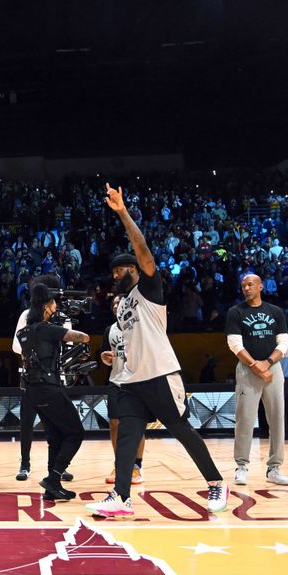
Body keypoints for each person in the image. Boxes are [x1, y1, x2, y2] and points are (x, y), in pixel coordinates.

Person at [86, 185, 227, 520]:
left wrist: (122, 213)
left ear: (134, 269)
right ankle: (121, 496)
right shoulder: (122, 305)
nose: (114, 276)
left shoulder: (149, 288)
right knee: (126, 437)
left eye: (119, 271)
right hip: (131, 380)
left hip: (160, 374)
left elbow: (143, 249)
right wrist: (114, 357)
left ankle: (216, 482)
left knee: (181, 429)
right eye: (113, 273)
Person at [15, 284, 91, 501]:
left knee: (55, 437)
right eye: (54, 304)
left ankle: (52, 488)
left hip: (32, 390)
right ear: (47, 306)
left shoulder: (23, 332)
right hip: (49, 388)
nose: (56, 306)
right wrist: (64, 329)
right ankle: (54, 477)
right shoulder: (47, 329)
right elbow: (83, 337)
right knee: (75, 433)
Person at [226, 274, 288, 485]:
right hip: (247, 370)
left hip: (273, 369)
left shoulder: (275, 311)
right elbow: (234, 344)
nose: (246, 288)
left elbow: (283, 343)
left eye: (250, 284)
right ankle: (241, 466)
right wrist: (256, 365)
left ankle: (274, 468)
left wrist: (268, 362)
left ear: (261, 286)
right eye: (243, 285)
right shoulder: (236, 312)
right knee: (245, 419)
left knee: (277, 419)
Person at [11, 273, 72, 482]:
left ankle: (58, 466)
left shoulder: (62, 317)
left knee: (56, 425)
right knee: (26, 422)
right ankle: (25, 463)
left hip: (54, 376)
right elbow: (16, 344)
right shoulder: (26, 315)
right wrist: (36, 349)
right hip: (32, 375)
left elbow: (69, 345)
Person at [99, 296, 146, 486]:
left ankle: (136, 467)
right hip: (116, 381)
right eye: (113, 304)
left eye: (120, 303)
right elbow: (105, 356)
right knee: (114, 423)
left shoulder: (139, 327)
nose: (116, 306)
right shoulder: (109, 330)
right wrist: (104, 357)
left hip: (137, 381)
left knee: (137, 425)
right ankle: (120, 464)